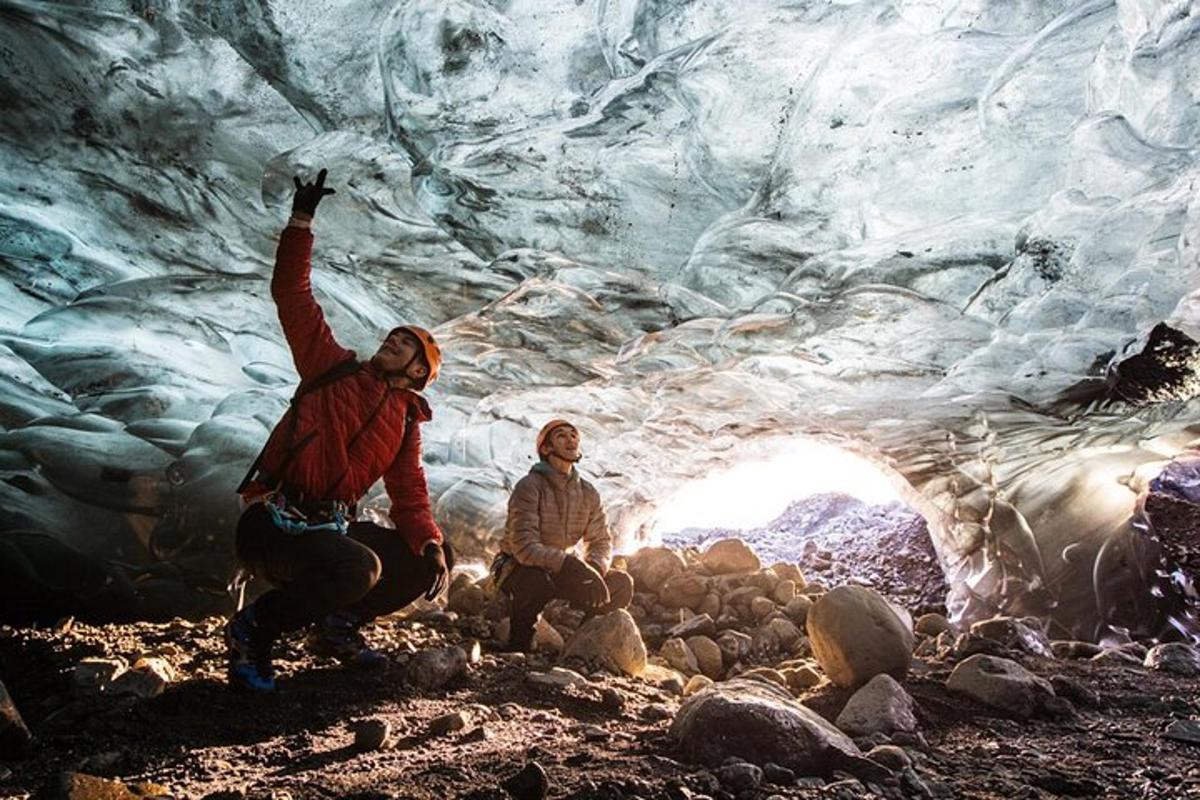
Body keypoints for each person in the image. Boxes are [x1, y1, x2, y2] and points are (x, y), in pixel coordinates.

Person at [225, 169, 453, 692]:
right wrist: (301, 220)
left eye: (406, 344)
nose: (392, 341)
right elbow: (293, 295)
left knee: (425, 557)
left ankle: (337, 628)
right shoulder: (332, 368)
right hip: (274, 525)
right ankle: (252, 630)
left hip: (328, 528)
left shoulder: (404, 419)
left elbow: (410, 494)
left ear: (420, 372)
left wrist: (430, 542)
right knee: (357, 569)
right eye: (393, 336)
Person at [493, 419, 634, 652]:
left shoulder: (587, 492)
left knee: (620, 584)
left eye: (573, 435)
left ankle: (582, 645)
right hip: (516, 567)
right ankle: (519, 646)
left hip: (559, 569)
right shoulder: (529, 486)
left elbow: (600, 541)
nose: (570, 439)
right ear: (546, 449)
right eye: (561, 436)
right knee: (535, 582)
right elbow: (524, 547)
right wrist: (572, 565)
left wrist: (595, 570)